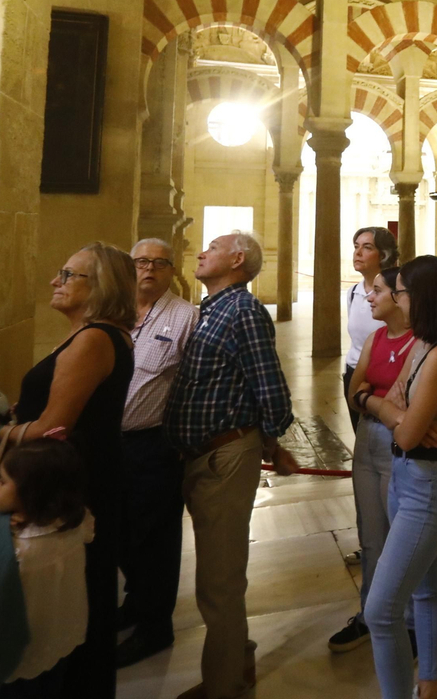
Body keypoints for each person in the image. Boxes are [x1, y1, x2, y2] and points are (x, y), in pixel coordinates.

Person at [0, 243, 136, 699]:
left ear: (100, 286)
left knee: (68, 608)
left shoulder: (93, 339)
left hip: (72, 485)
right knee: (78, 602)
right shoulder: (93, 334)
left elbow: (55, 426)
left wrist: (3, 434)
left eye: (68, 275)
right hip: (84, 475)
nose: (55, 281)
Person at [163, 231, 296, 699]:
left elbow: (271, 386)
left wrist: (270, 437)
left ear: (237, 260)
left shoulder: (242, 310)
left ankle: (223, 687)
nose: (201, 252)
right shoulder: (212, 309)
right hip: (203, 455)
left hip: (224, 455)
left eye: (213, 248)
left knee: (217, 583)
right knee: (218, 575)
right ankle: (238, 660)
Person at [357, 255, 437, 699]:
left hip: (431, 484)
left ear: (419, 297)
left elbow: (405, 432)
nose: (393, 296)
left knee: (382, 611)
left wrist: (380, 406)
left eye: (400, 290)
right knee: (426, 588)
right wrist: (390, 407)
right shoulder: (421, 343)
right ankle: (433, 686)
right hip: (407, 475)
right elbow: (396, 403)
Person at [116, 239, 199, 669]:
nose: (148, 269)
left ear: (171, 270)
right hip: (111, 444)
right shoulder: (113, 311)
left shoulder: (187, 317)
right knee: (119, 531)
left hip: (154, 444)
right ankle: (135, 603)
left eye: (159, 263)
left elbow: (193, 382)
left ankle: (154, 626)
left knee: (155, 539)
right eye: (141, 261)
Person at [330, 267, 415, 654]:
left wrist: (370, 399)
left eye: (378, 291)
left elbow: (406, 411)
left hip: (399, 445)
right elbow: (353, 391)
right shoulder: (376, 338)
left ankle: (410, 622)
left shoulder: (424, 343)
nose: (369, 297)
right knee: (371, 535)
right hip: (368, 440)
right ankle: (369, 613)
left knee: (402, 537)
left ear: (400, 297)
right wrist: (375, 402)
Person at [0, 438, 97, 698]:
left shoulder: (15, 549)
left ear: (31, 494)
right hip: (60, 635)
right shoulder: (77, 520)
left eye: (3, 482)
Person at [344, 228, 397, 430]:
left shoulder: (395, 293)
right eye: (356, 247)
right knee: (361, 434)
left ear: (383, 255)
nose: (357, 253)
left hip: (383, 373)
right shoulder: (353, 293)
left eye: (367, 247)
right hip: (353, 371)